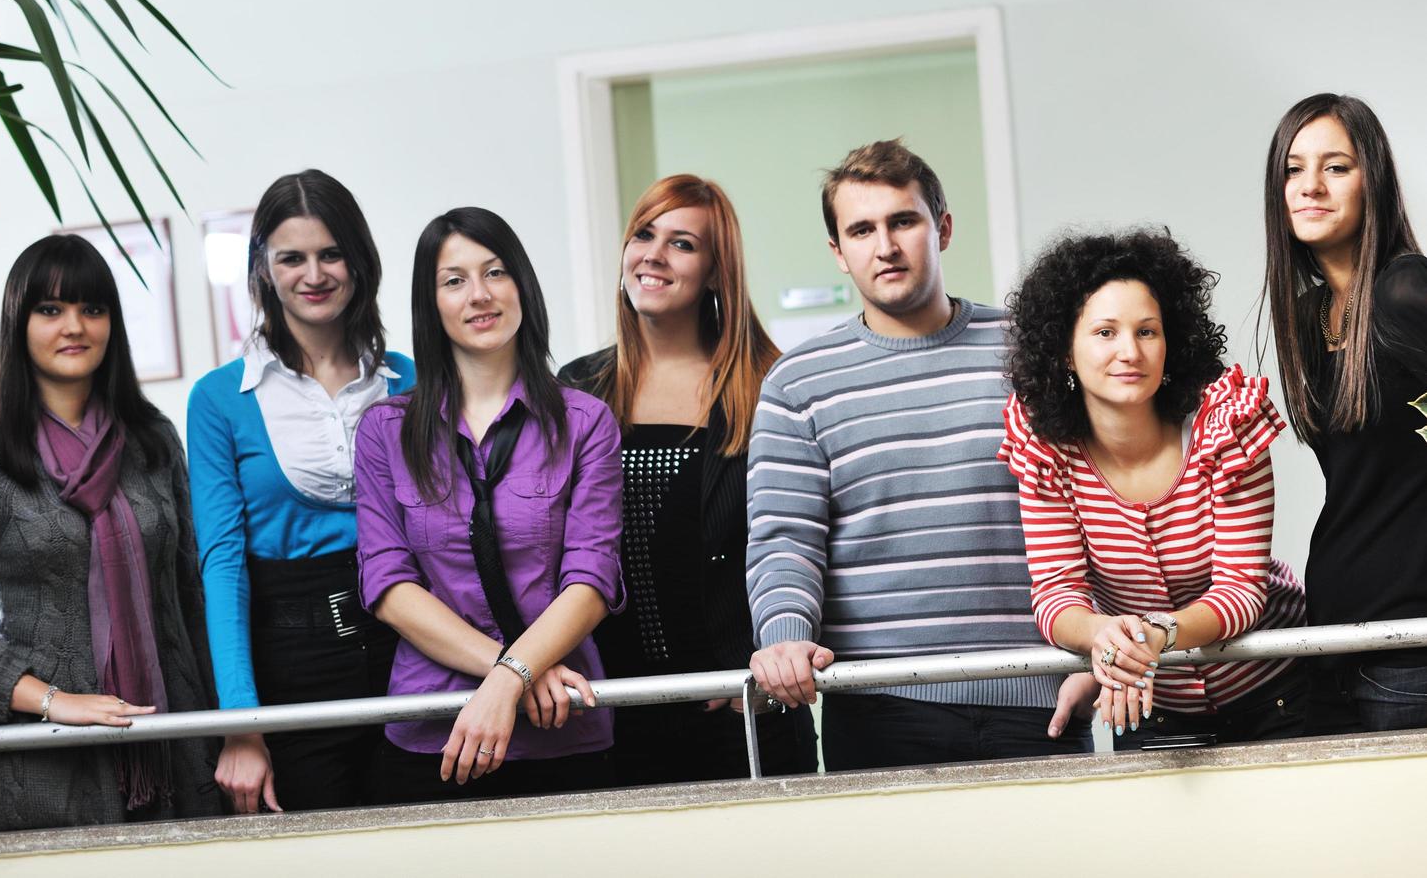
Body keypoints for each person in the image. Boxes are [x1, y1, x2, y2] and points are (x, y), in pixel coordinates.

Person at [745, 139, 1093, 772]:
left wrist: (1103, 650)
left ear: (944, 228)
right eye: (861, 229)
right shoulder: (798, 383)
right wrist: (786, 640)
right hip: (879, 705)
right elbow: (785, 541)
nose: (886, 245)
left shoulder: (1033, 349)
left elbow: (1099, 500)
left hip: (1041, 692)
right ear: (838, 253)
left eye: (904, 220)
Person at [0, 234, 220, 834]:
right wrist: (53, 700)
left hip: (171, 748)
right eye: (50, 310)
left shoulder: (152, 442)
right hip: (40, 769)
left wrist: (232, 734)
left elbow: (192, 597)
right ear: (19, 323)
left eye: (92, 308)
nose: (74, 326)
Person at [999, 228, 1308, 747]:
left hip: (1277, 689)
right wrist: (1105, 636)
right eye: (1105, 333)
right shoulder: (1047, 452)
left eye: (1147, 331)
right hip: (1150, 704)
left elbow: (1241, 592)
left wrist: (1150, 633)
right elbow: (1057, 594)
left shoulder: (1225, 430)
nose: (1130, 352)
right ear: (1064, 352)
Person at [355, 206, 623, 802]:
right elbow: (389, 585)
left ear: (522, 285)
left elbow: (593, 578)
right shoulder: (384, 431)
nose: (479, 295)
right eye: (454, 280)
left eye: (496, 272)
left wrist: (508, 681)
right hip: (433, 730)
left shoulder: (585, 422)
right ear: (432, 305)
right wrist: (512, 672)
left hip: (564, 728)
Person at [559, 175, 817, 783]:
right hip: (610, 714)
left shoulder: (771, 386)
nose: (653, 254)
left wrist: (759, 669)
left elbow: (806, 536)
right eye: (643, 235)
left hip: (741, 707)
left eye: (682, 243)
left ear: (716, 272)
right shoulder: (576, 389)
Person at [187, 170, 415, 813]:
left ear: (359, 261)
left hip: (413, 651)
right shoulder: (218, 400)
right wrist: (240, 724)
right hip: (291, 664)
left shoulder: (411, 381)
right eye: (292, 257)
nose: (313, 274)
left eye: (330, 253)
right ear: (263, 268)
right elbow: (222, 565)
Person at [1261, 93, 1427, 734]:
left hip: (1411, 649)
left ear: (1372, 180)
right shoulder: (1308, 318)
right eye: (1293, 169)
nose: (1310, 187)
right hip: (1331, 640)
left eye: (1336, 167)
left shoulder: (1405, 290)